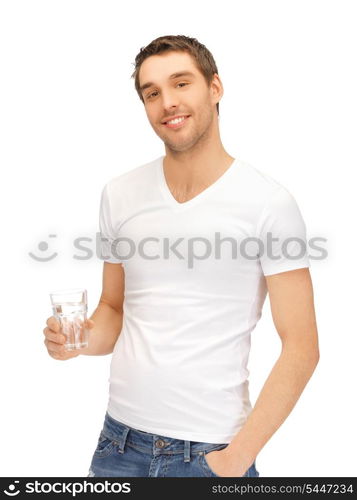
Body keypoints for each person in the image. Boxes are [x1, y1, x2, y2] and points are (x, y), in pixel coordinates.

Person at [43, 35, 320, 478]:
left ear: (215, 88)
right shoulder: (119, 194)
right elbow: (113, 310)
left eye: (181, 83)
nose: (167, 102)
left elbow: (302, 347)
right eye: (152, 93)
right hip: (118, 443)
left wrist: (233, 461)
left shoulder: (268, 203)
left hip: (211, 452)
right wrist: (75, 342)